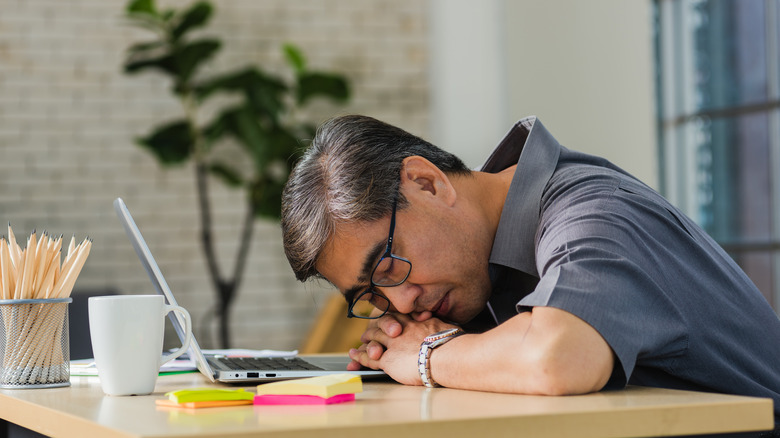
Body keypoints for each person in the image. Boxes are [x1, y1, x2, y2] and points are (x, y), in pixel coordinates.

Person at [281, 114, 780, 425]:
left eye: (390, 267)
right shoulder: (478, 268)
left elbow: (558, 358)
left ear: (427, 182)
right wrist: (398, 347)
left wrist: (427, 355)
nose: (404, 302)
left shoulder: (595, 209)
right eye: (376, 295)